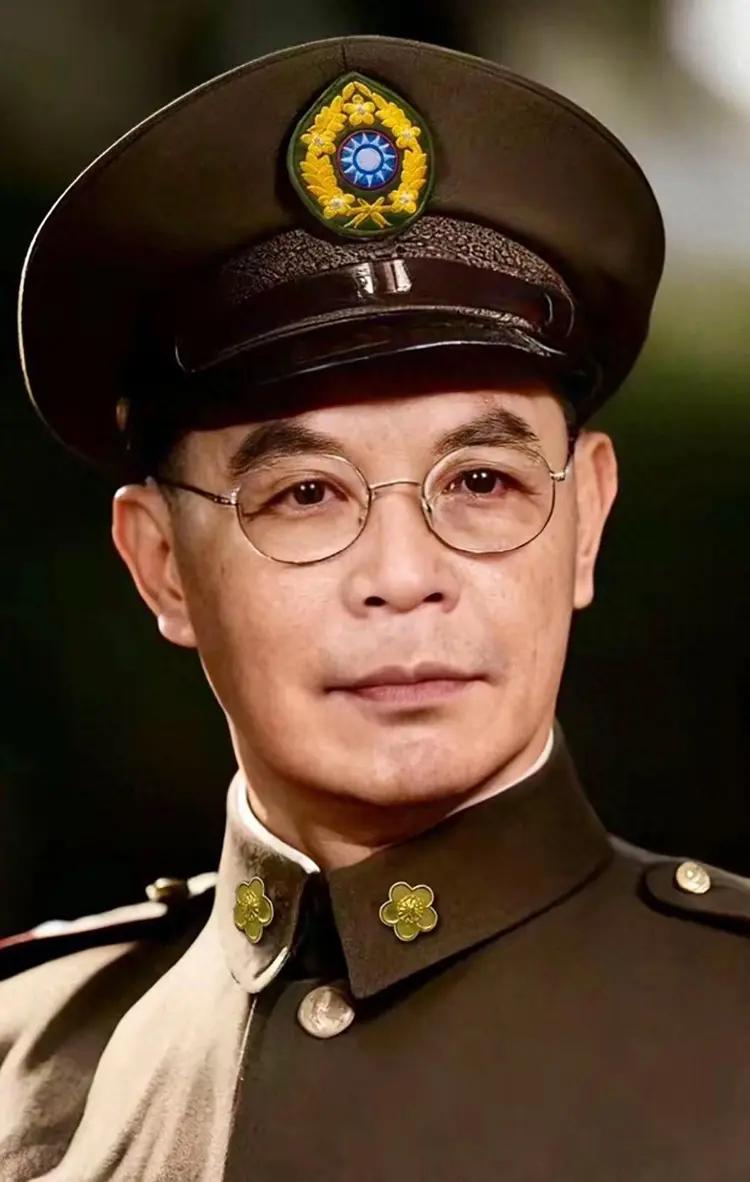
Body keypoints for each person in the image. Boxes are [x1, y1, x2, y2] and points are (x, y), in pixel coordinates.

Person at [1, 34, 749, 1182]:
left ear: (587, 519)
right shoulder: (26, 1076)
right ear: (160, 566)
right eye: (305, 494)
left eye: (482, 482)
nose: (403, 574)